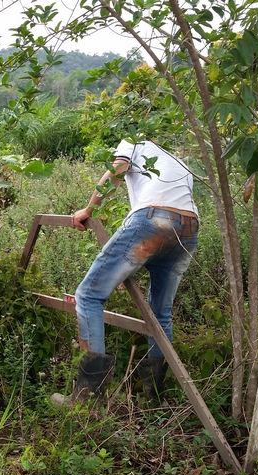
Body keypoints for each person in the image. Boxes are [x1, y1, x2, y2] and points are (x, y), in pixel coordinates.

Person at [52, 138, 198, 406]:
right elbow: (167, 220)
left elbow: (118, 170)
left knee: (89, 296)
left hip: (152, 218)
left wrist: (89, 209)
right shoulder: (176, 158)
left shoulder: (134, 139)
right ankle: (154, 399)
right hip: (189, 227)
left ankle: (87, 399)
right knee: (160, 313)